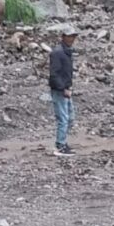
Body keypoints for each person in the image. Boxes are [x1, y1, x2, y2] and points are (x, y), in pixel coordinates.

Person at [49, 25, 79, 156]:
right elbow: (54, 74)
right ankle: (60, 145)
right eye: (69, 36)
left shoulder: (67, 51)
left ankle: (62, 142)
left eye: (73, 36)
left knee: (70, 118)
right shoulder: (58, 52)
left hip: (66, 88)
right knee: (64, 118)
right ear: (63, 37)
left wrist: (69, 86)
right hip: (59, 90)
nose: (71, 39)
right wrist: (62, 88)